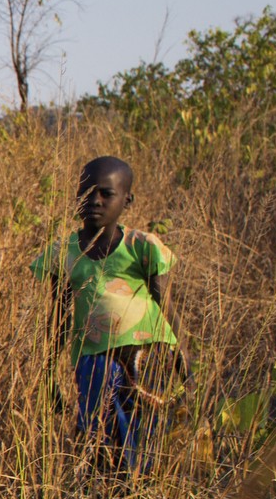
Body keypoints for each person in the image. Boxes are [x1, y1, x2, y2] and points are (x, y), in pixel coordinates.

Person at [29, 156, 184, 473]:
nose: (94, 201)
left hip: (146, 355)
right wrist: (48, 371)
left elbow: (165, 302)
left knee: (146, 429)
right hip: (94, 358)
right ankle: (108, 488)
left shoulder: (142, 247)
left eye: (106, 193)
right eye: (86, 193)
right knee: (99, 431)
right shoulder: (65, 253)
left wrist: (184, 355)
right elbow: (60, 315)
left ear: (127, 200)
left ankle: (140, 487)